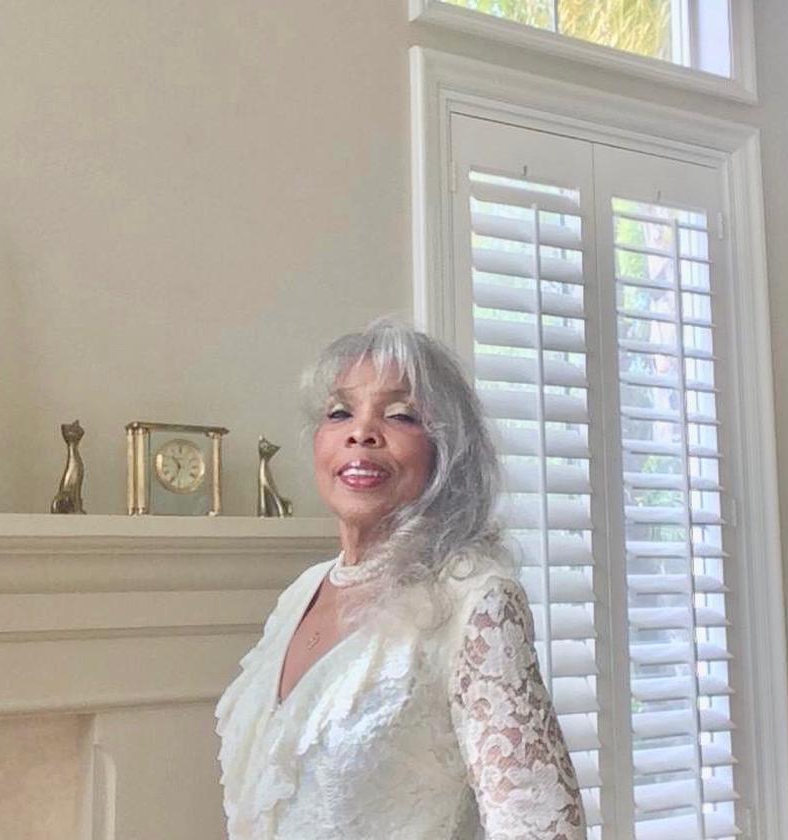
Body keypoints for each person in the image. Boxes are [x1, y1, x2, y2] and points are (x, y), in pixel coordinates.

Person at [215, 317, 586, 840]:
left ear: (447, 452)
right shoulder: (301, 593)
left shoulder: (473, 598)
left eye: (400, 415)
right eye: (340, 412)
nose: (361, 432)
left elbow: (542, 827)